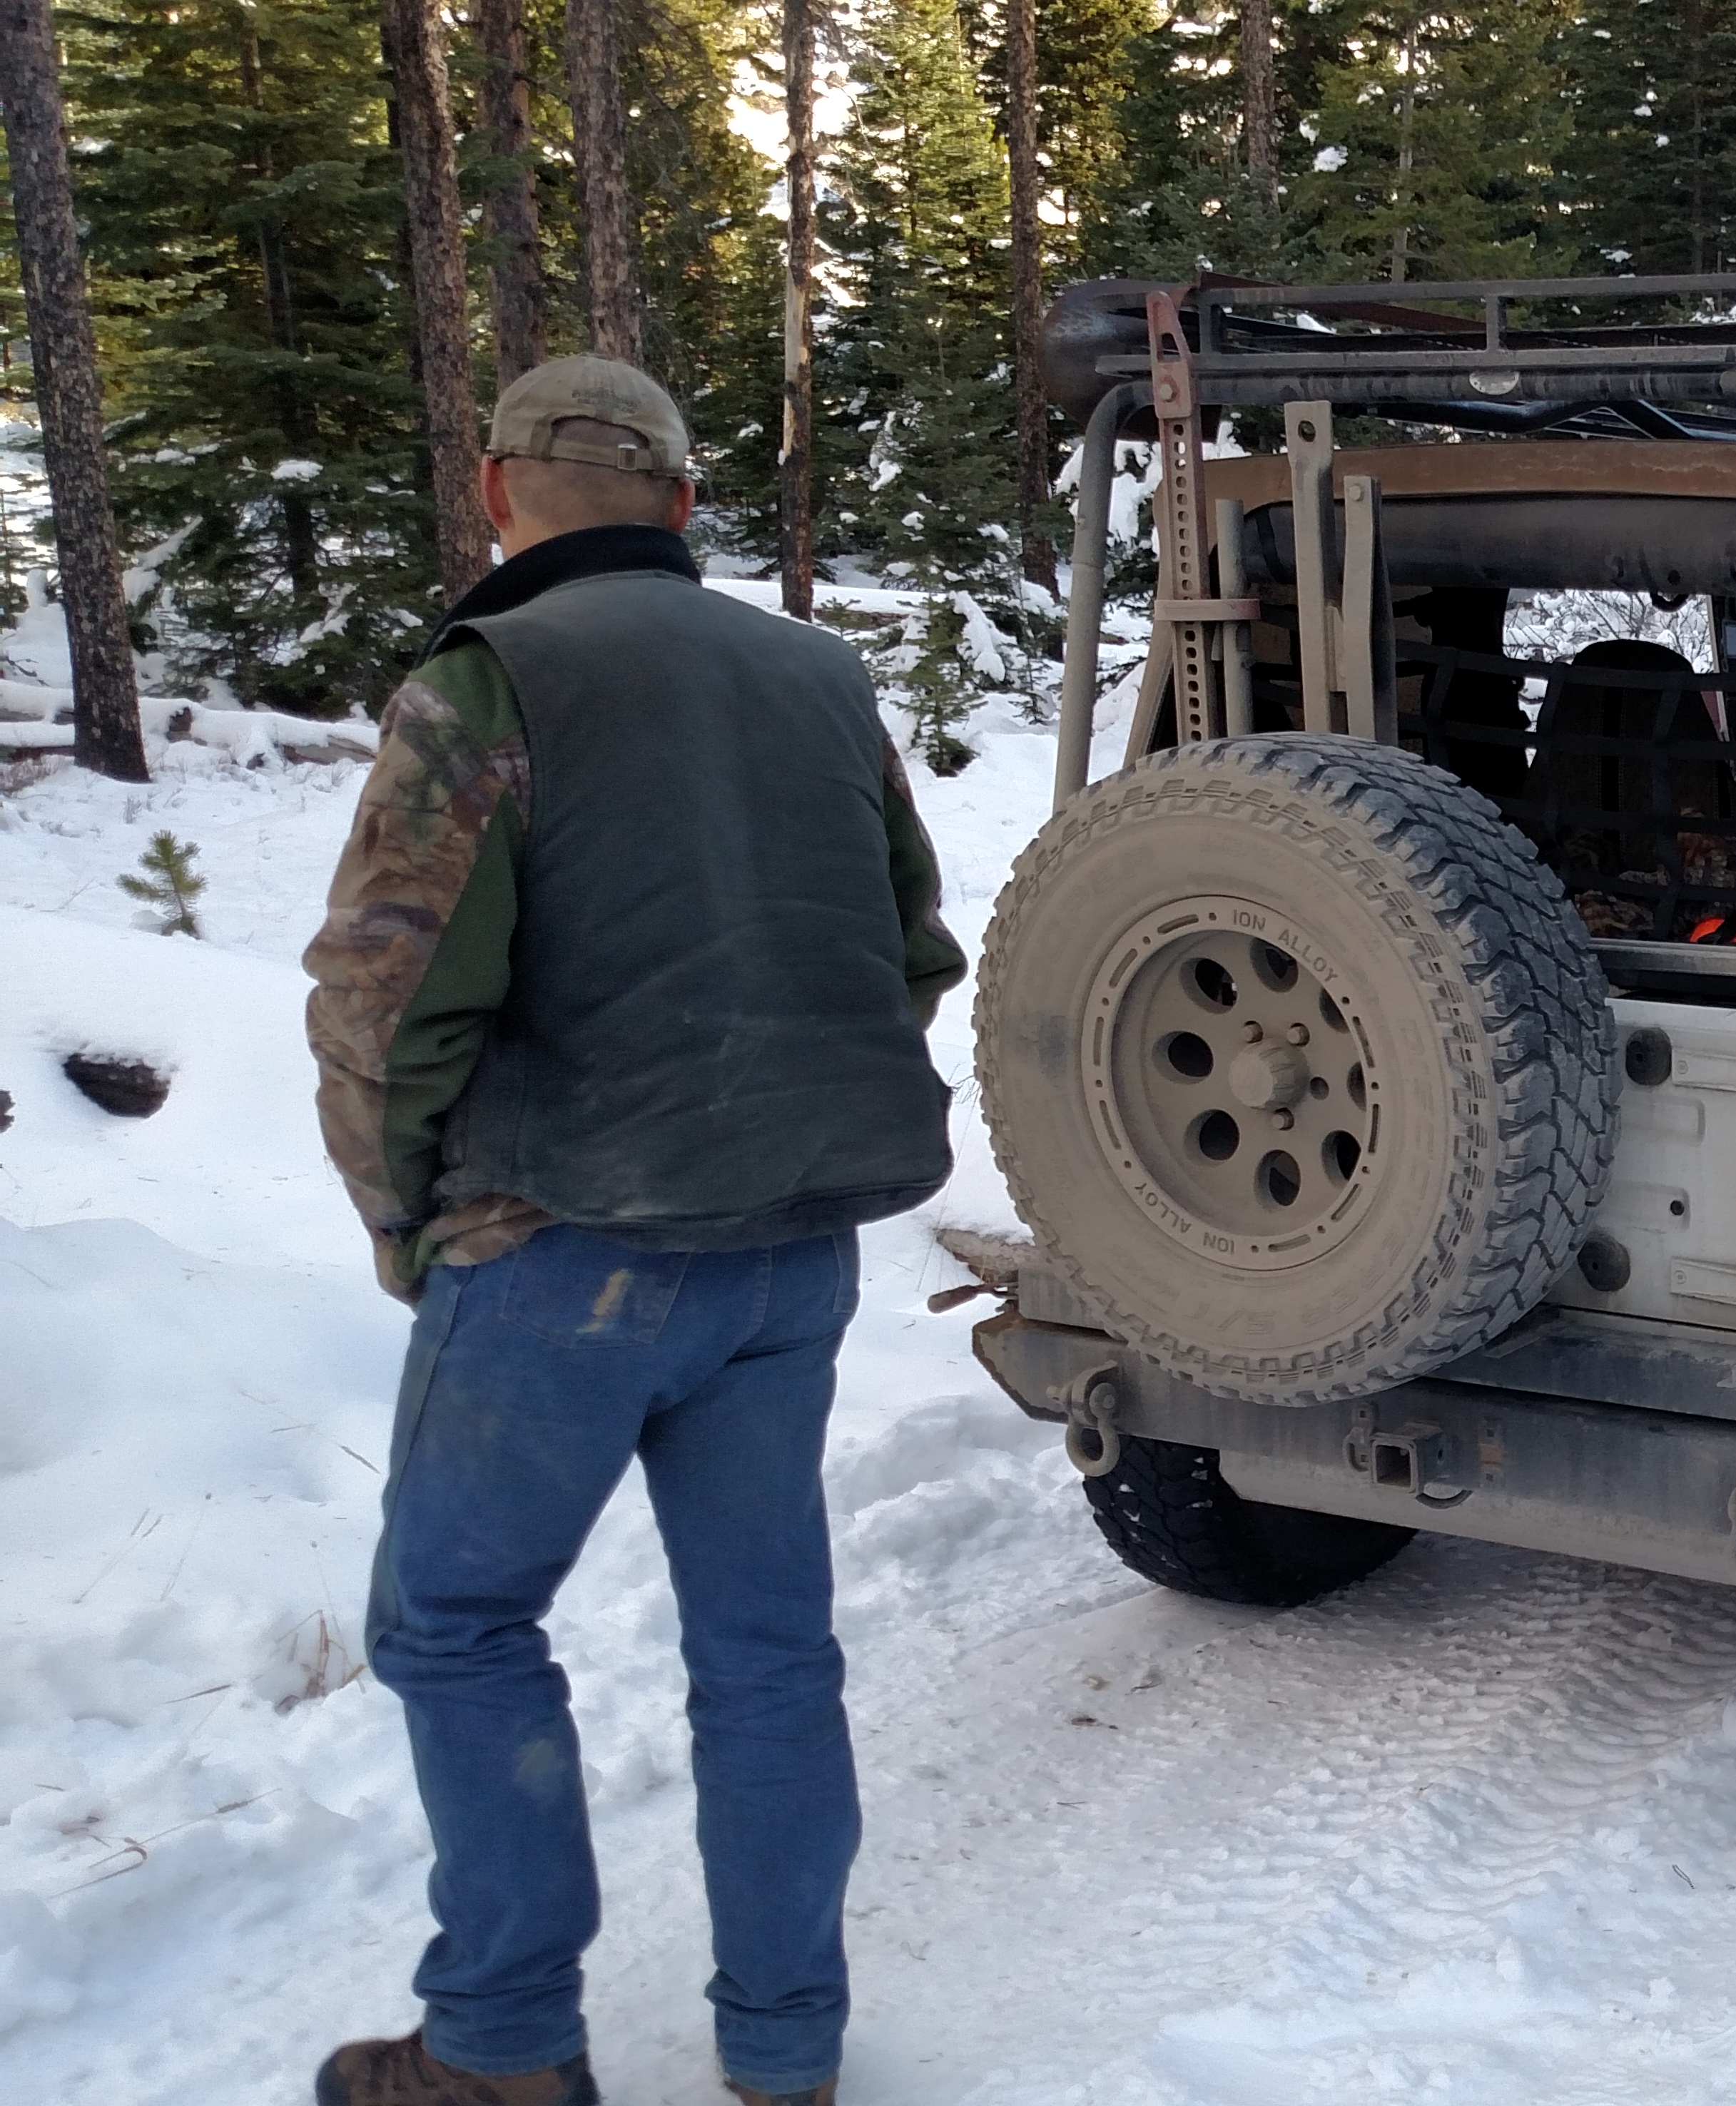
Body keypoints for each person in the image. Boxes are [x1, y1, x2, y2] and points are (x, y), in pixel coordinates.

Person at [302, 357, 964, 2106]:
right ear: (680, 504)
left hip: (560, 1248)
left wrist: (405, 1217)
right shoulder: (822, 679)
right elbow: (908, 946)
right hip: (790, 1254)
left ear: (495, 491)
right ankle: (786, 2053)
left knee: (456, 1626)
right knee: (767, 1654)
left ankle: (504, 2046)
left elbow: (384, 998)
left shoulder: (485, 684)